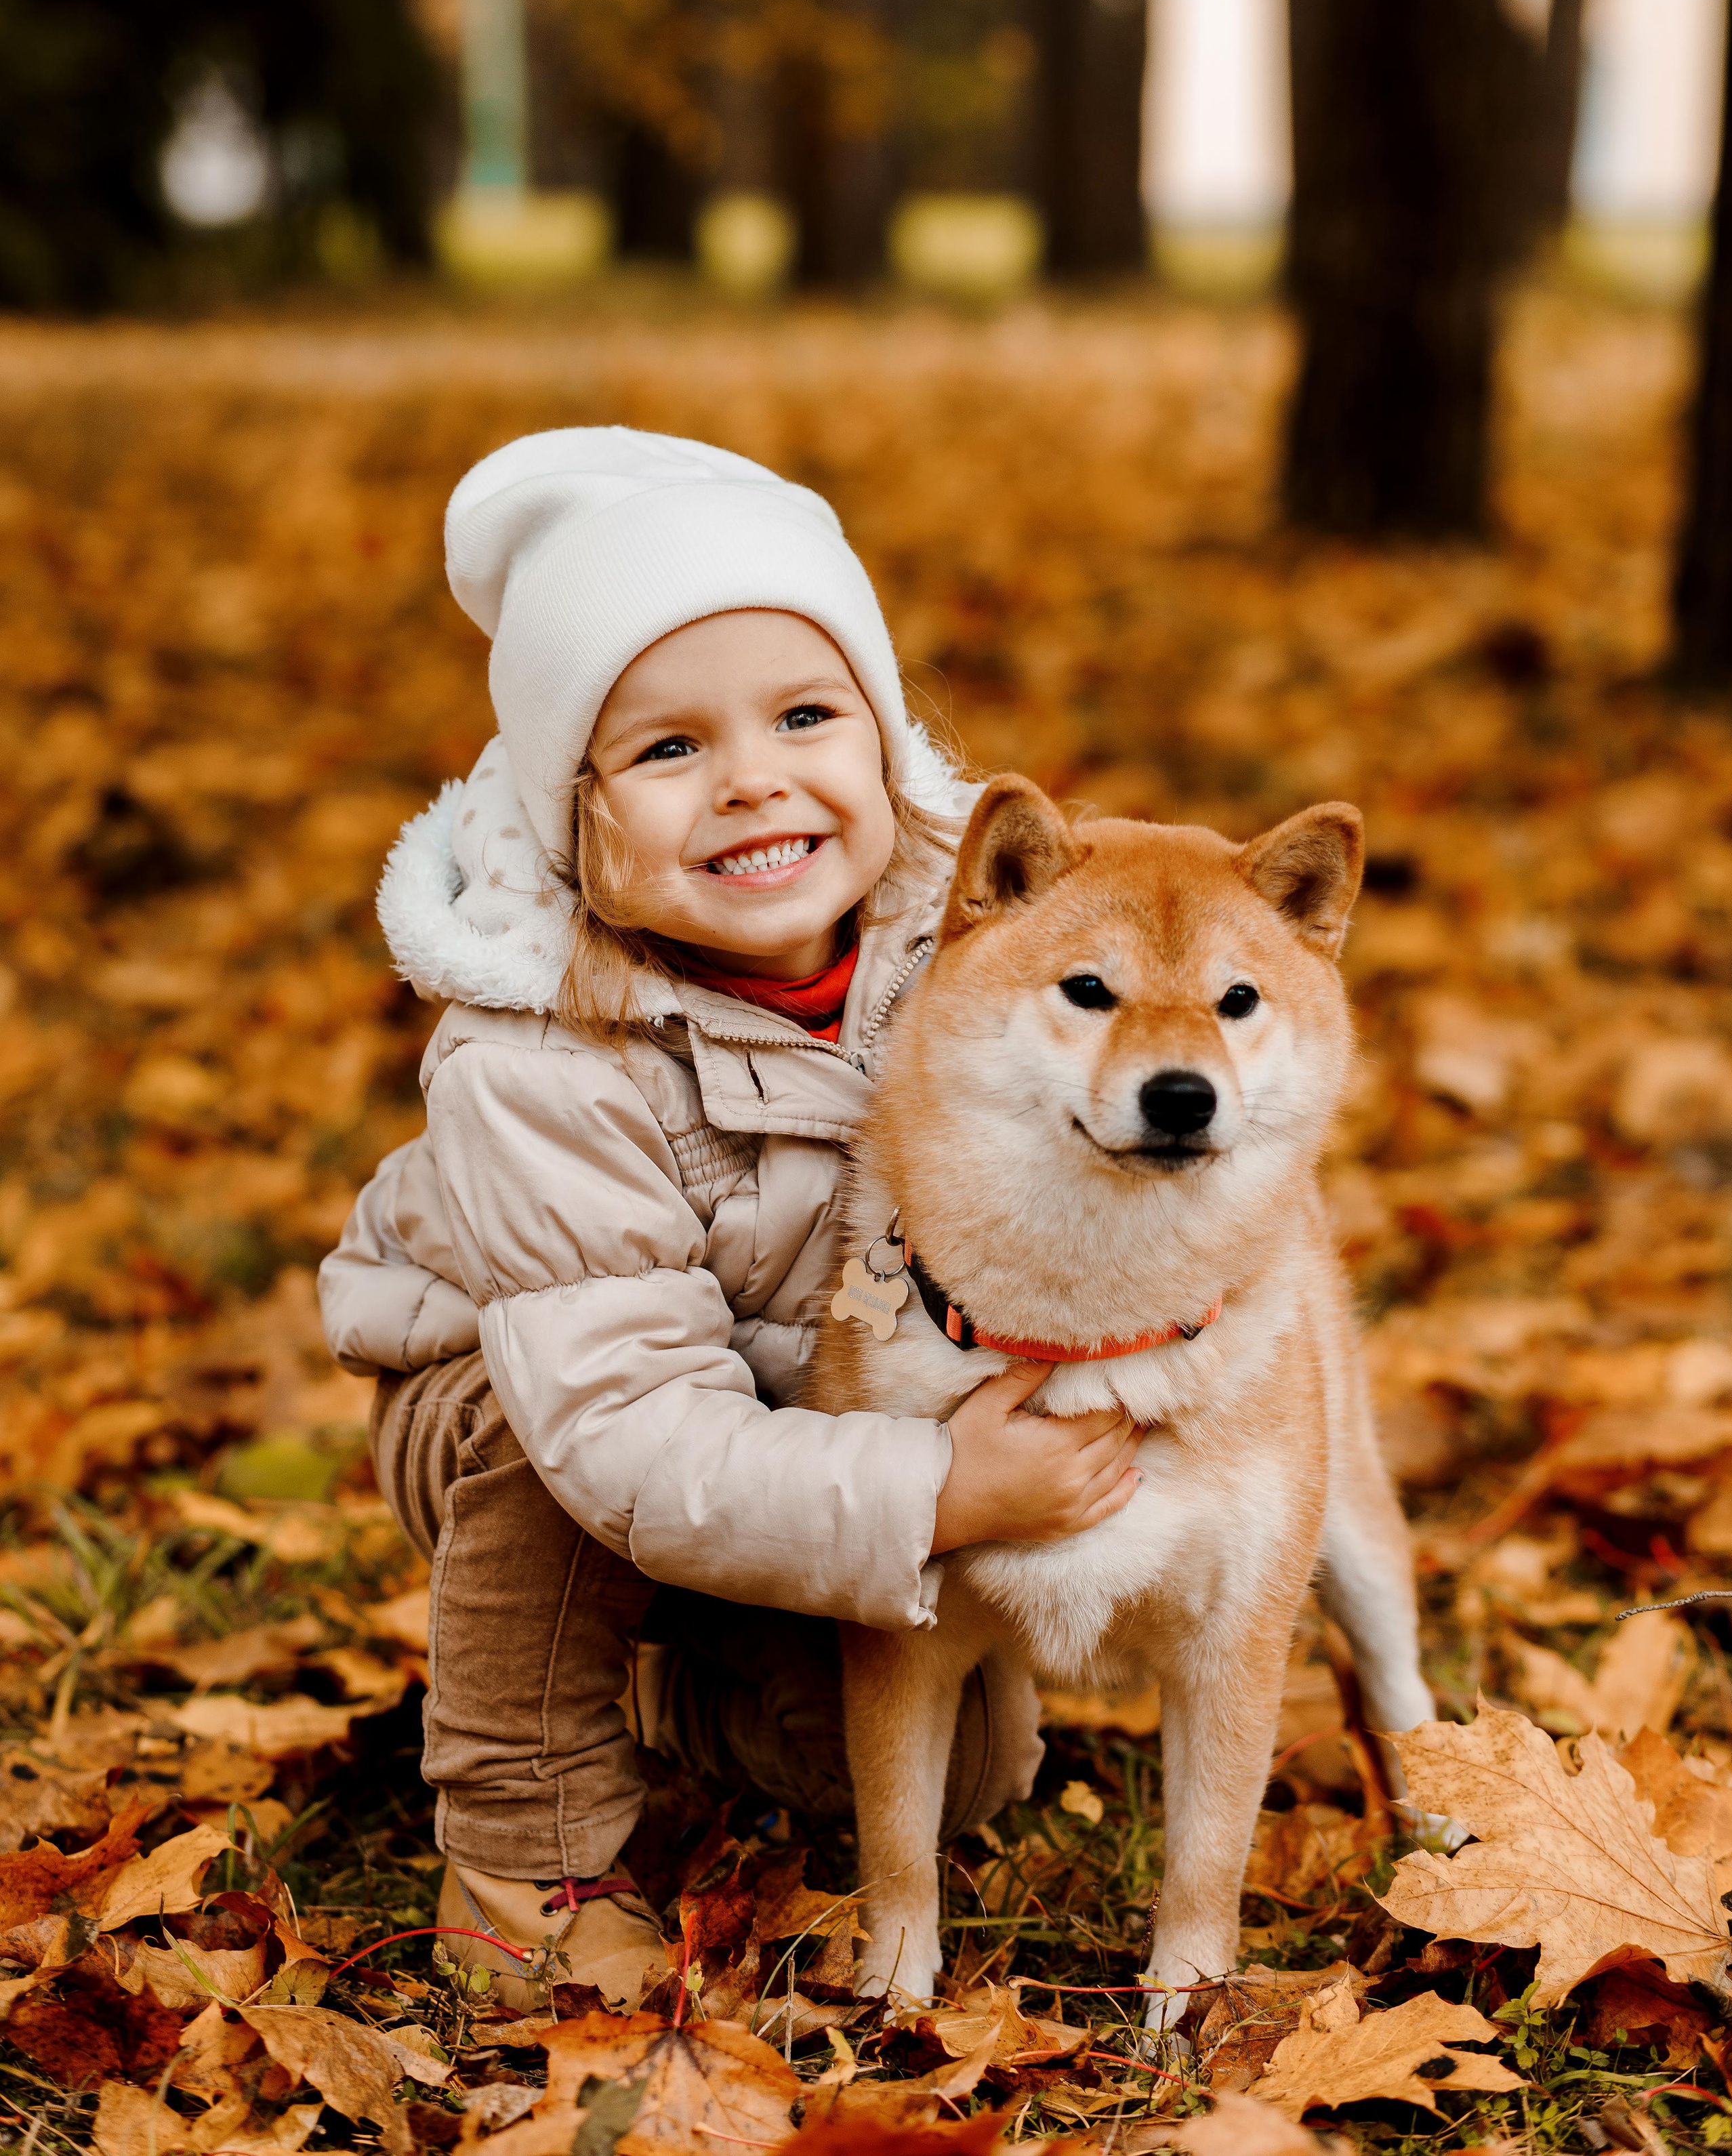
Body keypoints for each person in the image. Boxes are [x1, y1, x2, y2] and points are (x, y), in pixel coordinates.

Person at [319, 427, 1144, 2010]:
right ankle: (517, 1847)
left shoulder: (974, 954)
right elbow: (622, 1426)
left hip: (802, 1415)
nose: (755, 777)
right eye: (667, 750)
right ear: (575, 819)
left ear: (886, 746)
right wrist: (932, 1487)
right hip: (538, 1405)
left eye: (804, 715)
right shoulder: (534, 1062)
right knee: (552, 1460)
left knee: (947, 1777)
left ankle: (660, 1678)